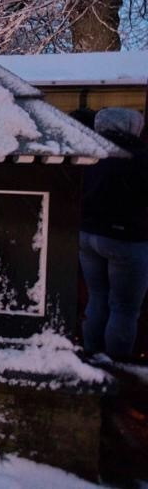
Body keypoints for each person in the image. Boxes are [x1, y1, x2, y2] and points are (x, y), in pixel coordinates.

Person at [79, 107, 148, 360]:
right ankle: (116, 364)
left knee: (97, 297)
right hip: (127, 240)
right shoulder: (140, 158)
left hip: (87, 236)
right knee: (125, 307)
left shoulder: (89, 153)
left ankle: (91, 354)